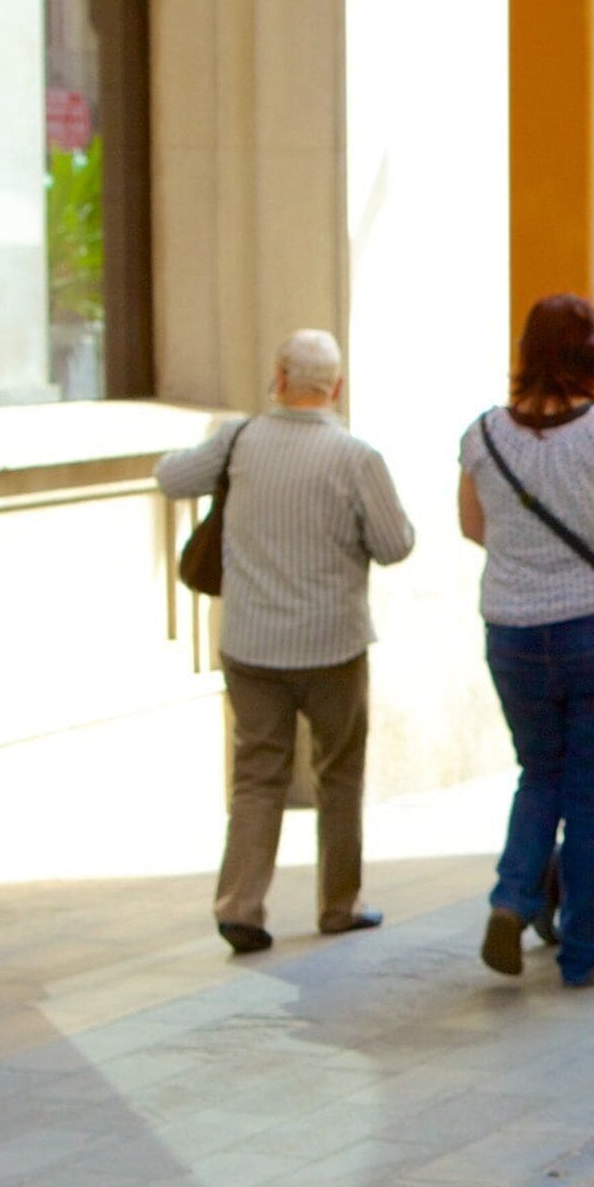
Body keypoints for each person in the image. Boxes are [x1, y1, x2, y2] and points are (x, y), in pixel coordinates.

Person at [156, 329, 417, 955]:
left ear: (277, 378)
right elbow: (395, 544)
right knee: (339, 775)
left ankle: (240, 905)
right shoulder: (356, 458)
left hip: (251, 643)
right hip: (333, 644)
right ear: (337, 387)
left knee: (257, 775)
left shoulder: (238, 441)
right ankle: (339, 904)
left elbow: (169, 477)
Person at [458, 293, 594, 987]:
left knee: (539, 773)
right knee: (591, 792)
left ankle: (512, 899)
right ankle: (586, 950)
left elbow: (473, 527)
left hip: (513, 633)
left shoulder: (484, 434)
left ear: (527, 354)